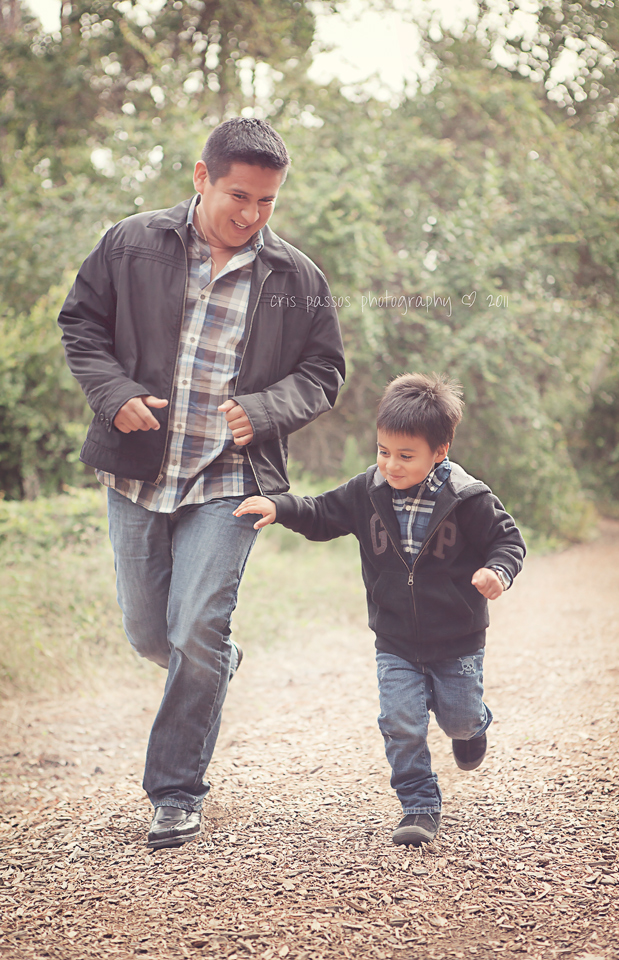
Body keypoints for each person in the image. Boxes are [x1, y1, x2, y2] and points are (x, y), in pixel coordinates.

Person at [58, 118, 345, 850]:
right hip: (138, 471)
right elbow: (81, 324)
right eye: (238, 196)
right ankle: (212, 664)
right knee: (150, 633)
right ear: (201, 177)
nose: (251, 214)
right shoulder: (129, 244)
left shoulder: (297, 278)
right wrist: (113, 392)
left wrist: (265, 409)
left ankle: (175, 792)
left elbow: (323, 372)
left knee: (196, 630)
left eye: (267, 201)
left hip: (231, 478)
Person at [234, 373, 526, 846]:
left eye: (405, 456)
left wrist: (498, 571)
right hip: (395, 640)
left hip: (457, 639)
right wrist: (281, 507)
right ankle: (419, 806)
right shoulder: (367, 491)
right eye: (383, 451)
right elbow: (321, 513)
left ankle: (474, 727)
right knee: (400, 722)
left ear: (440, 451)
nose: (390, 464)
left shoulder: (467, 498)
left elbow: (507, 541)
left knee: (459, 718)